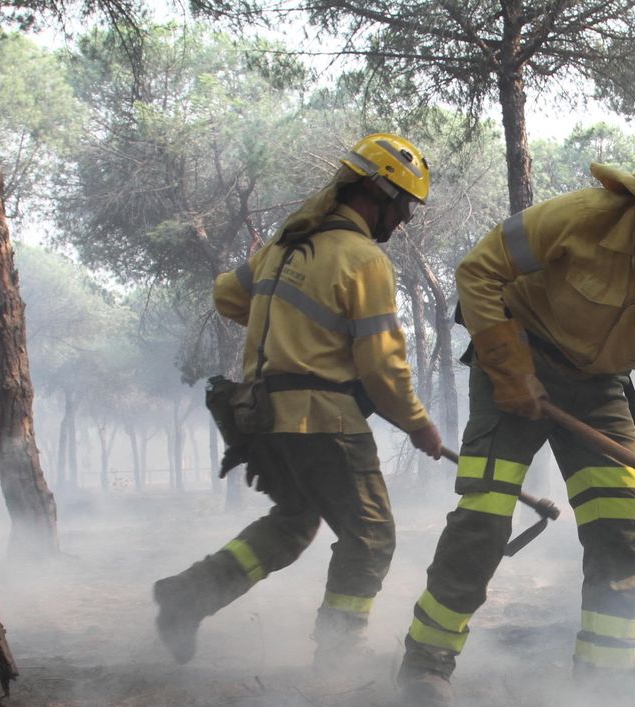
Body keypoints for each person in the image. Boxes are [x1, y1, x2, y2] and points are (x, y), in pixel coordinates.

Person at [396, 132, 635, 705]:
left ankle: (603, 695)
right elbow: (479, 270)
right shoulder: (580, 219)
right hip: (518, 365)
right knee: (485, 519)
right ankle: (426, 666)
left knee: (625, 529)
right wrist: (508, 365)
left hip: (599, 387)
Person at [153, 133, 445, 666]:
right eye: (403, 205)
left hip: (263, 420)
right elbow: (382, 366)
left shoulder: (284, 247)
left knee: (293, 522)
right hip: (324, 422)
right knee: (372, 536)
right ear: (377, 192)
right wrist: (418, 423)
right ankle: (337, 658)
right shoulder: (364, 260)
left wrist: (288, 323)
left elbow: (227, 294)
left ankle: (189, 594)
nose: (403, 219)